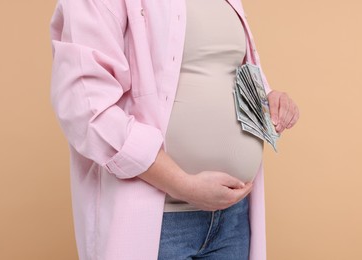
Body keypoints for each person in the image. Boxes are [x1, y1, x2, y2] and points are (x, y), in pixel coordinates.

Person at [50, 0, 299, 259]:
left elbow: (225, 71)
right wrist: (182, 185)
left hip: (233, 219)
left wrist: (268, 98)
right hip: (161, 223)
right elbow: (86, 106)